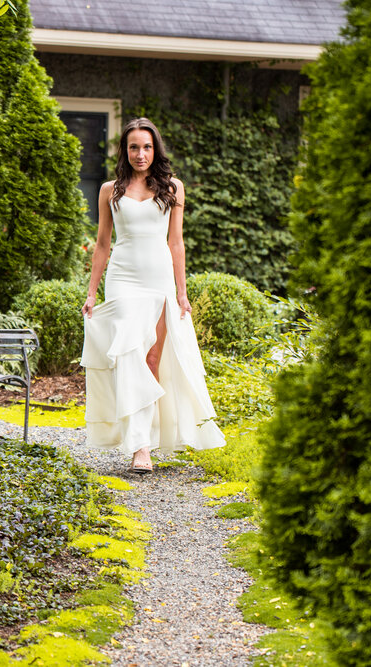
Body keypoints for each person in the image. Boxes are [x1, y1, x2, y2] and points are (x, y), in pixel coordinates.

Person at [81, 117, 225, 473]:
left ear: (155, 149)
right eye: (133, 147)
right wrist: (91, 291)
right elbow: (102, 245)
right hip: (123, 279)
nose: (140, 154)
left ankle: (147, 437)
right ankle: (139, 447)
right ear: (125, 150)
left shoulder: (173, 188)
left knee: (152, 359)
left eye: (146, 147)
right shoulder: (109, 191)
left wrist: (181, 291)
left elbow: (176, 242)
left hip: (158, 278)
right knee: (130, 355)